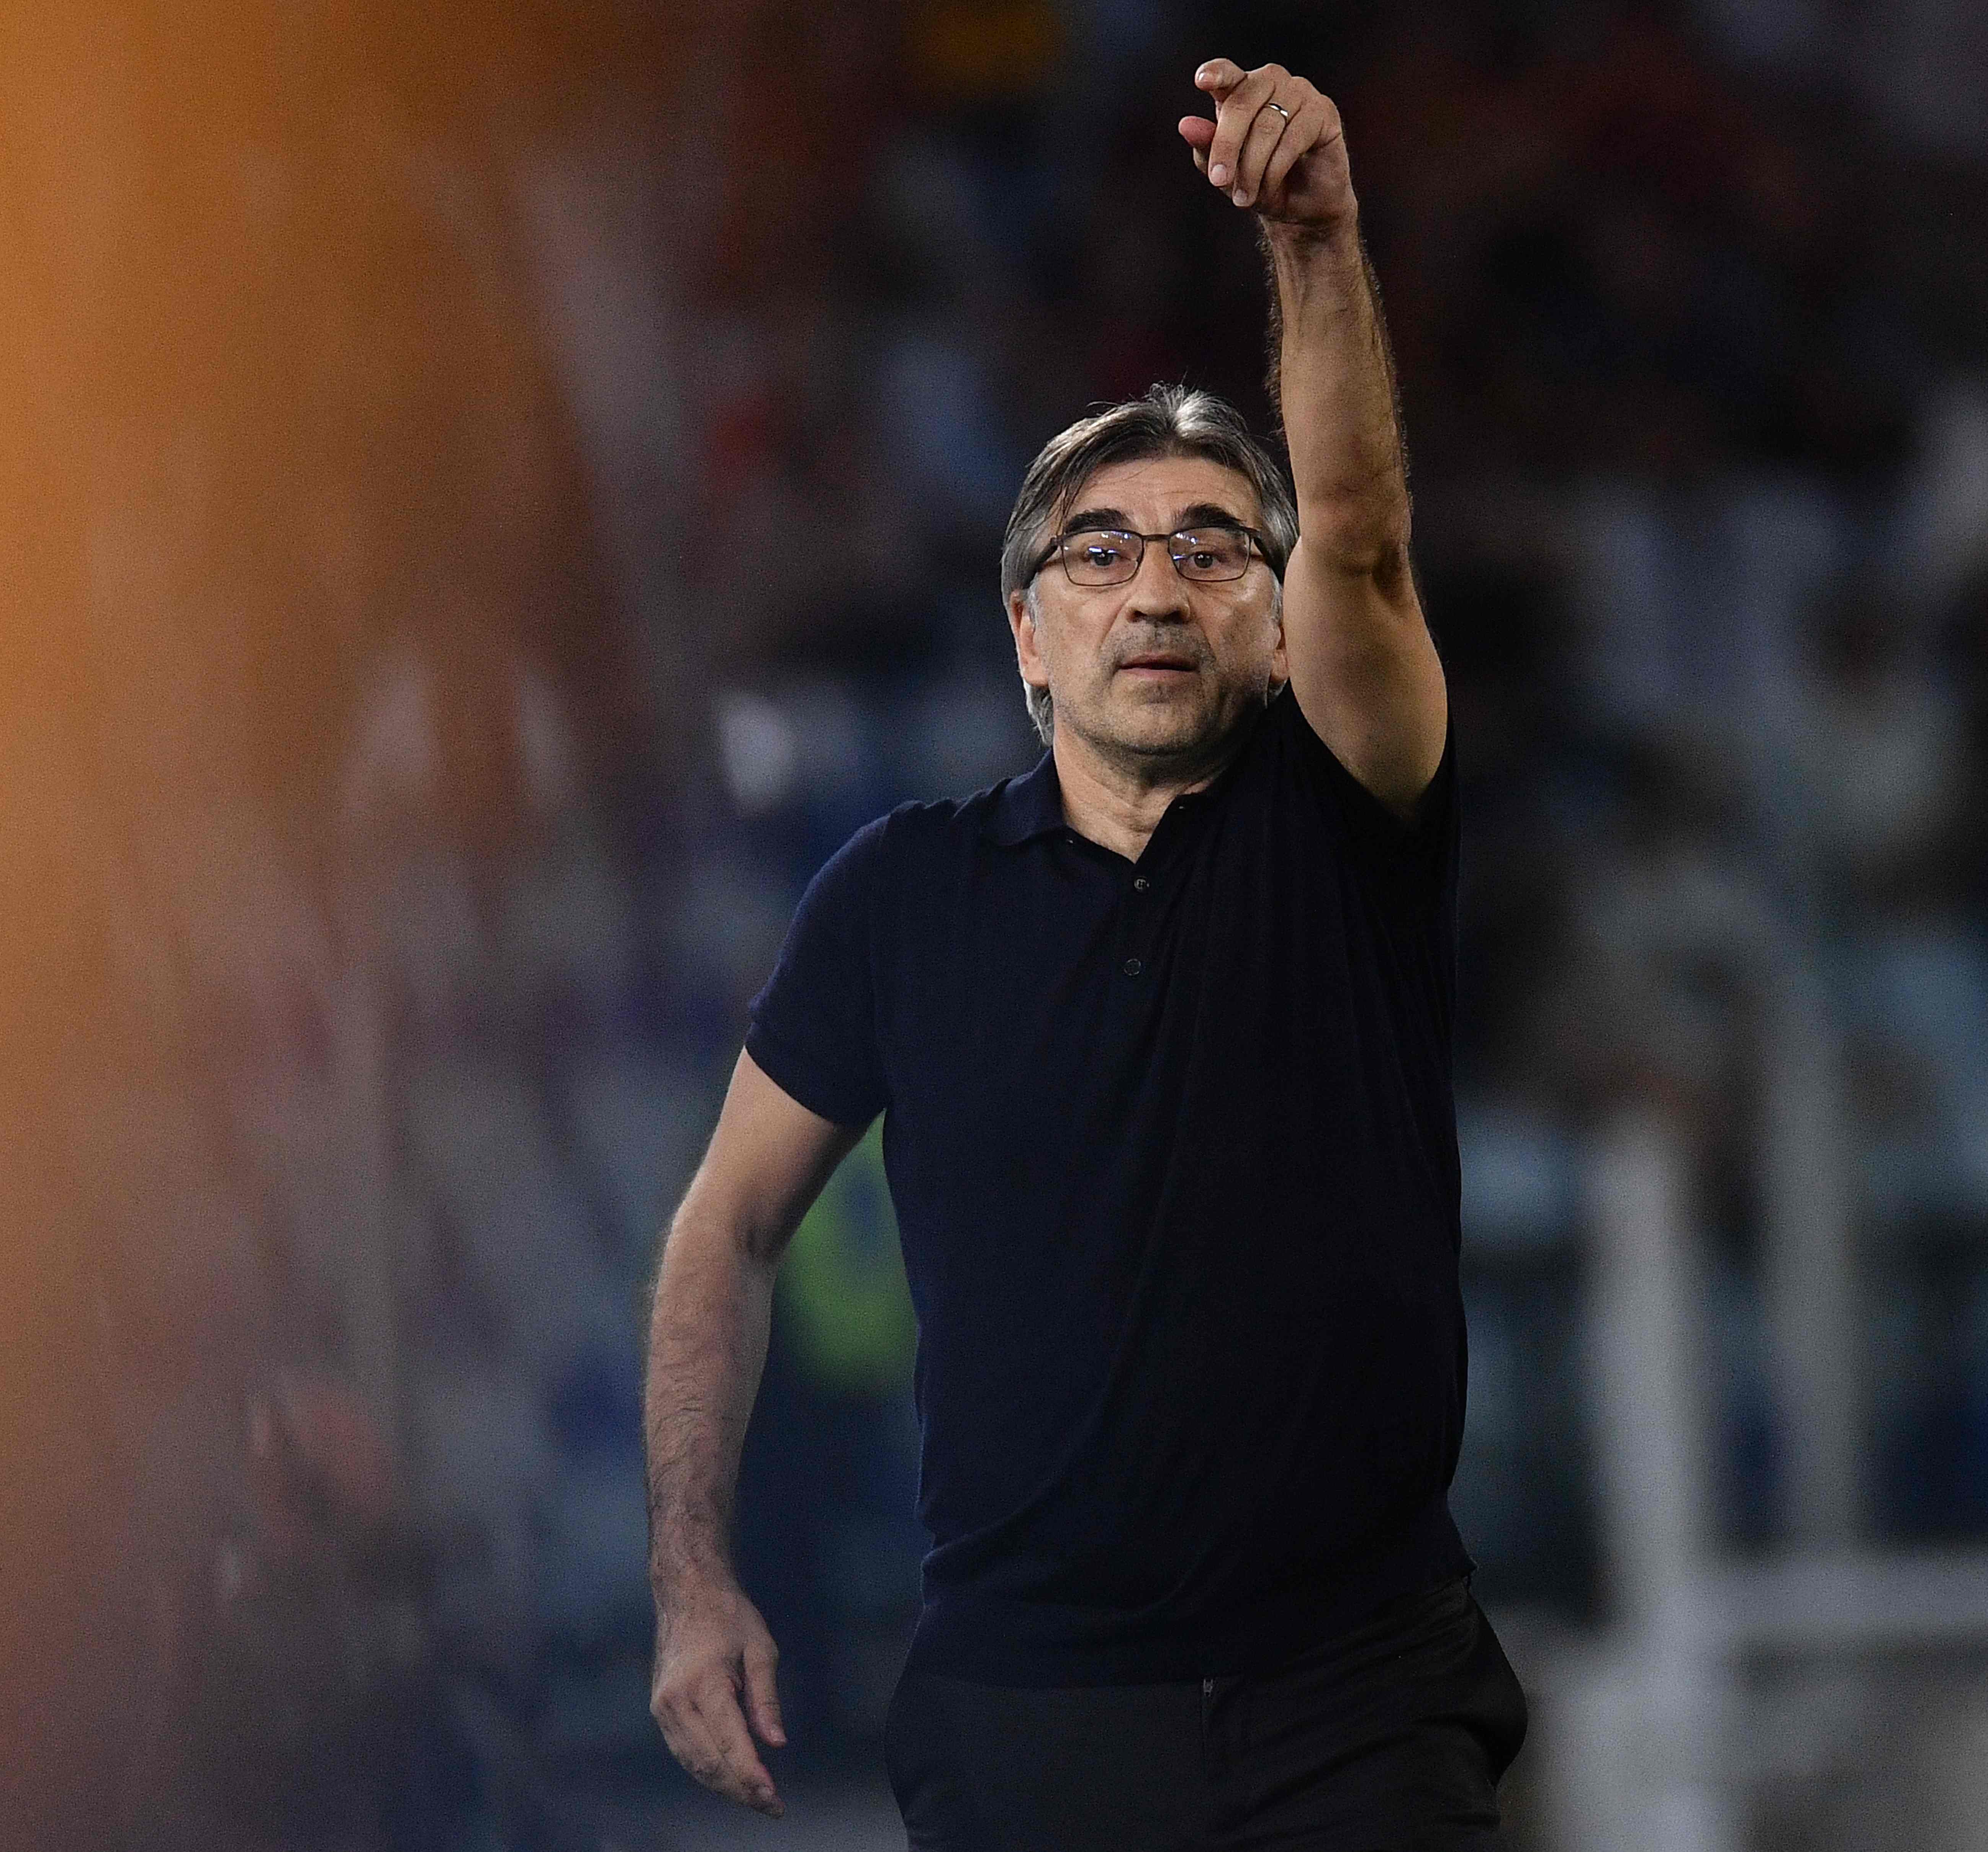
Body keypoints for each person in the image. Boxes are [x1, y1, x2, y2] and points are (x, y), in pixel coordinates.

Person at [642, 58, 1528, 1849]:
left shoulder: (1342, 822)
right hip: (1028, 1720)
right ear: (1026, 636)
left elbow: (1357, 535)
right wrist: (688, 1579)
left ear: (1277, 636)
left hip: (1350, 1703)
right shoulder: (894, 897)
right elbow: (722, 1228)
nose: (1155, 585)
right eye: (1102, 549)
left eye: (1212, 550)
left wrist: (1314, 245)